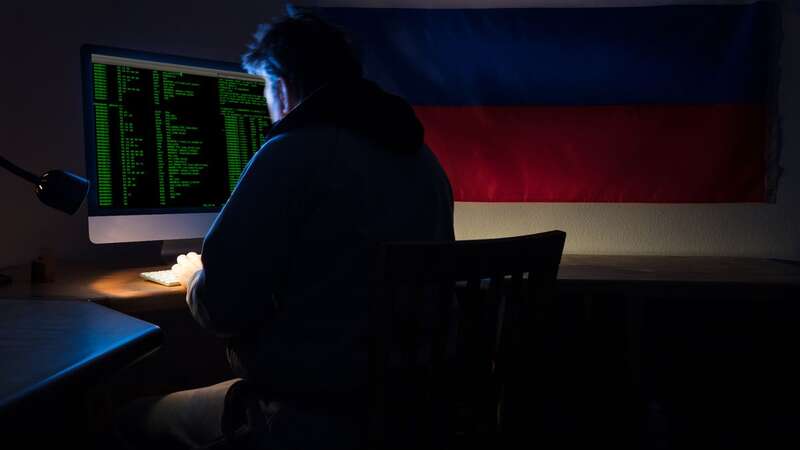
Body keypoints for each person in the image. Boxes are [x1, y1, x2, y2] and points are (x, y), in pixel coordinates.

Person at [114, 8, 454, 450]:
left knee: (128, 417)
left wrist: (195, 277)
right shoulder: (424, 161)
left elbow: (222, 308)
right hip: (410, 415)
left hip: (307, 417)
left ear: (282, 86)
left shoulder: (293, 151)